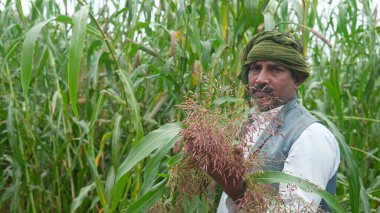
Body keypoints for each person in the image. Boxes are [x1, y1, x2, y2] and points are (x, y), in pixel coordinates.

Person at [209, 31, 340, 212]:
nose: (261, 79)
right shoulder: (249, 124)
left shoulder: (311, 136)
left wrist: (238, 193)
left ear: (297, 79)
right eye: (255, 68)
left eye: (275, 69)